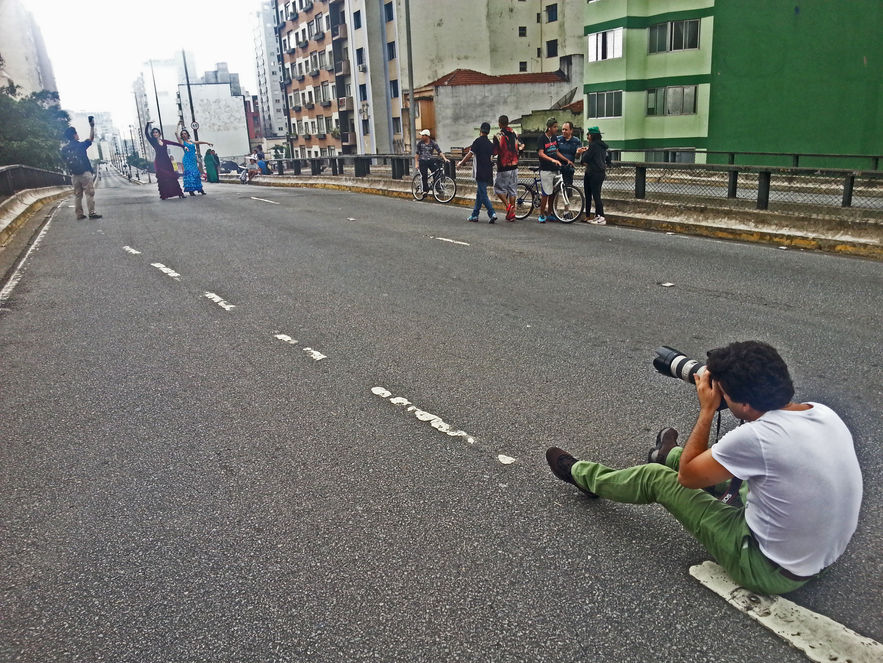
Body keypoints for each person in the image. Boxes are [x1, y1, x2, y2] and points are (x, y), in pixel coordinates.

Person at [546, 341, 863, 595]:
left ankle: (582, 475)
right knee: (747, 471)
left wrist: (707, 410)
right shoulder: (823, 413)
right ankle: (669, 454)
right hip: (820, 558)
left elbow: (688, 478)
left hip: (767, 570)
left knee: (657, 478)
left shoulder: (757, 437)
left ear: (745, 404)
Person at [60, 121, 102, 219]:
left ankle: (79, 214)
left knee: (78, 195)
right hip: (85, 173)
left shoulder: (64, 149)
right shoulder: (81, 145)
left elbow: (64, 160)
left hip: (74, 175)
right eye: (77, 133)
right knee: (89, 193)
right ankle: (92, 212)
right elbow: (91, 138)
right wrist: (92, 127)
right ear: (75, 135)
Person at [457, 122, 496, 223]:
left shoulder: (477, 142)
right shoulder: (490, 144)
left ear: (480, 130)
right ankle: (474, 215)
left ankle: (492, 213)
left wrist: (461, 163)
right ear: (488, 132)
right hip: (488, 171)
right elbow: (493, 155)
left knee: (483, 194)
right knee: (479, 194)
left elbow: (469, 154)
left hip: (479, 172)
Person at [492, 115, 523, 221]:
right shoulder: (515, 133)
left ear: (499, 124)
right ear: (508, 122)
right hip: (514, 166)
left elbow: (495, 151)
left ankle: (508, 206)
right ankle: (511, 214)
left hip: (504, 166)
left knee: (498, 189)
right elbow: (521, 146)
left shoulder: (498, 136)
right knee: (512, 190)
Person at [144, 121, 185, 200]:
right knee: (163, 178)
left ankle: (180, 193)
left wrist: (183, 146)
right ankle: (164, 195)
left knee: (172, 177)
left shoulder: (164, 141)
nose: (155, 134)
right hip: (159, 162)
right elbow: (146, 134)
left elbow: (174, 143)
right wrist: (148, 124)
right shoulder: (153, 142)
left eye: (156, 132)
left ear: (159, 133)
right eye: (153, 133)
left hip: (167, 161)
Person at [579, 126, 610, 224]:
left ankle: (600, 217)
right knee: (597, 195)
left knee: (591, 195)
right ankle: (597, 216)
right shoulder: (603, 146)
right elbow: (608, 159)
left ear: (592, 136)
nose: (587, 136)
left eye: (588, 134)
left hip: (592, 172)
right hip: (600, 172)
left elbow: (585, 159)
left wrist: (584, 152)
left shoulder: (593, 146)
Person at [536, 117, 563, 223]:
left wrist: (566, 160)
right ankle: (541, 214)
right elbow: (541, 153)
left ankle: (550, 213)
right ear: (549, 128)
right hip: (545, 169)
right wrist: (552, 160)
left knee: (552, 193)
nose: (556, 129)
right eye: (554, 127)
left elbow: (556, 151)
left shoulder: (555, 138)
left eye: (557, 126)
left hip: (555, 169)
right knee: (546, 193)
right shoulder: (542, 138)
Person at [175, 124, 213, 196]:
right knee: (189, 174)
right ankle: (191, 190)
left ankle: (199, 189)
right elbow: (176, 133)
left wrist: (207, 143)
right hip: (187, 160)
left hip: (193, 160)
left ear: (187, 134)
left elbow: (199, 142)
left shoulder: (191, 141)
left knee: (195, 174)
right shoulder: (182, 142)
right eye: (182, 134)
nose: (183, 135)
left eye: (185, 133)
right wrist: (178, 125)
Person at [414, 129, 448, 196]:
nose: (421, 137)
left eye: (423, 135)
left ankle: (438, 188)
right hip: (422, 161)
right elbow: (417, 154)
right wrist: (416, 163)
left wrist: (445, 158)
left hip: (430, 160)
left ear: (427, 136)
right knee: (424, 175)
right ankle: (424, 191)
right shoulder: (420, 143)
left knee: (437, 173)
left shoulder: (433, 143)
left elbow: (439, 151)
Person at [555, 121, 581, 188]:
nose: (564, 131)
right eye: (563, 129)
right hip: (558, 168)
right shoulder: (558, 139)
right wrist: (567, 160)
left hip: (569, 169)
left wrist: (578, 153)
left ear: (571, 130)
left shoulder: (576, 141)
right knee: (556, 188)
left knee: (568, 188)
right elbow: (556, 152)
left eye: (566, 130)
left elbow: (577, 157)